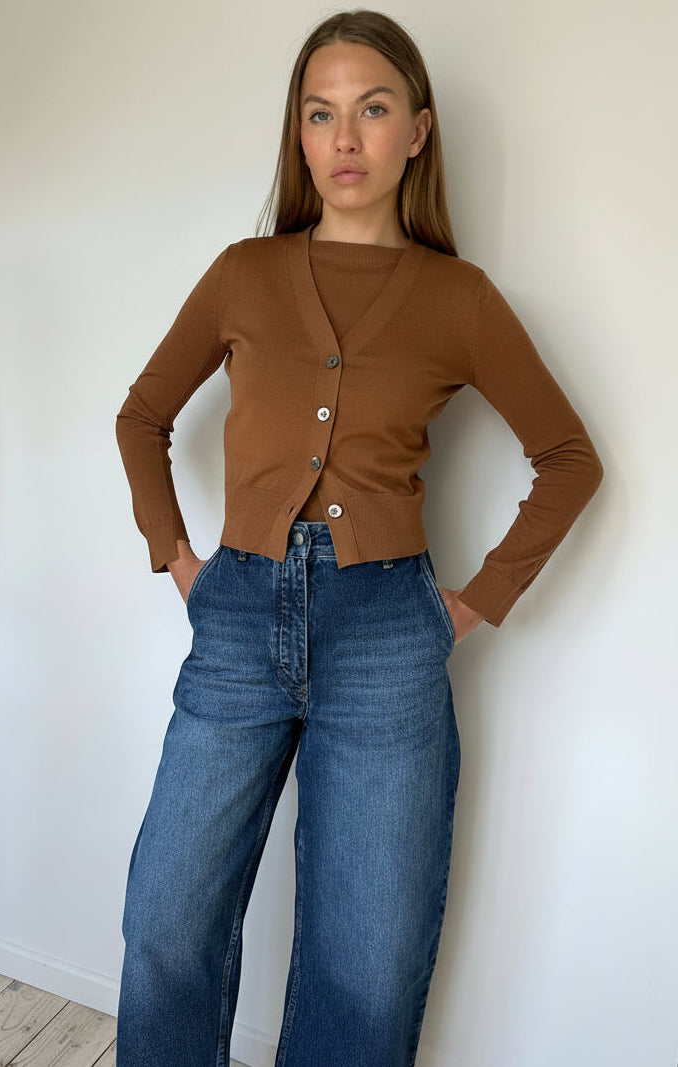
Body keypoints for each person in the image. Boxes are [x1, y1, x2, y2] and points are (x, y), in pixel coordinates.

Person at [114, 9, 603, 1066]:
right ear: (297, 135)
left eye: (373, 110)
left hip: (388, 633)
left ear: (417, 132)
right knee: (165, 918)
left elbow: (570, 457)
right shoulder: (244, 272)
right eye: (321, 112)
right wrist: (183, 560)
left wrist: (472, 604)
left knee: (364, 961)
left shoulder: (457, 297)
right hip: (237, 618)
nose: (346, 137)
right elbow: (141, 414)